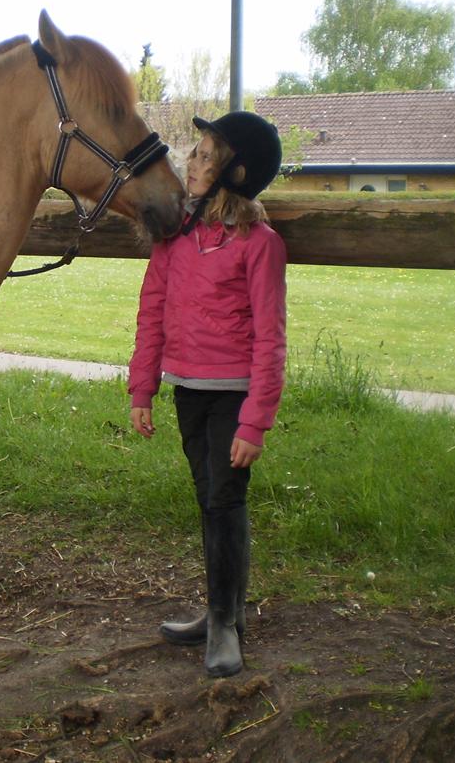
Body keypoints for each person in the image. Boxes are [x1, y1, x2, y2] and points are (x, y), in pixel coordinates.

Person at [128, 111, 286, 678]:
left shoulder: (259, 245)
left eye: (203, 156)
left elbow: (270, 337)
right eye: (192, 153)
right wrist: (142, 386)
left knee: (225, 499)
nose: (189, 164)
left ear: (234, 174)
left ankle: (225, 625)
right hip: (187, 390)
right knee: (209, 497)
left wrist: (255, 422)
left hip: (234, 396)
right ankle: (221, 612)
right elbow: (152, 314)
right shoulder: (175, 239)